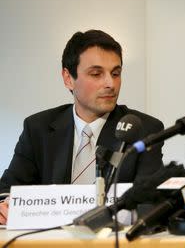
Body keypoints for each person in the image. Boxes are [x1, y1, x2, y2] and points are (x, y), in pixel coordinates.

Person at [0, 30, 164, 224]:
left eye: (116, 73)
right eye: (96, 74)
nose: (110, 83)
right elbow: (8, 190)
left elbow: (151, 204)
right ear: (68, 78)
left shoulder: (143, 129)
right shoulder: (38, 128)